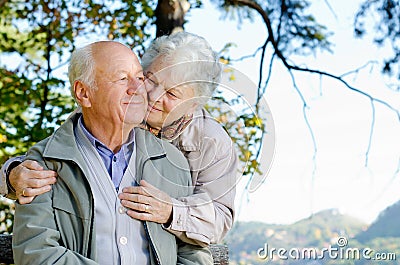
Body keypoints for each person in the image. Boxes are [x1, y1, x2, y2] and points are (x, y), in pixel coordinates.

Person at [1, 32, 238, 247]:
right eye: (151, 80)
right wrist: (13, 176)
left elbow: (220, 221)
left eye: (172, 94)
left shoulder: (212, 143)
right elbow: (56, 157)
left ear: (193, 105)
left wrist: (169, 210)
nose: (153, 96)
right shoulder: (113, 108)